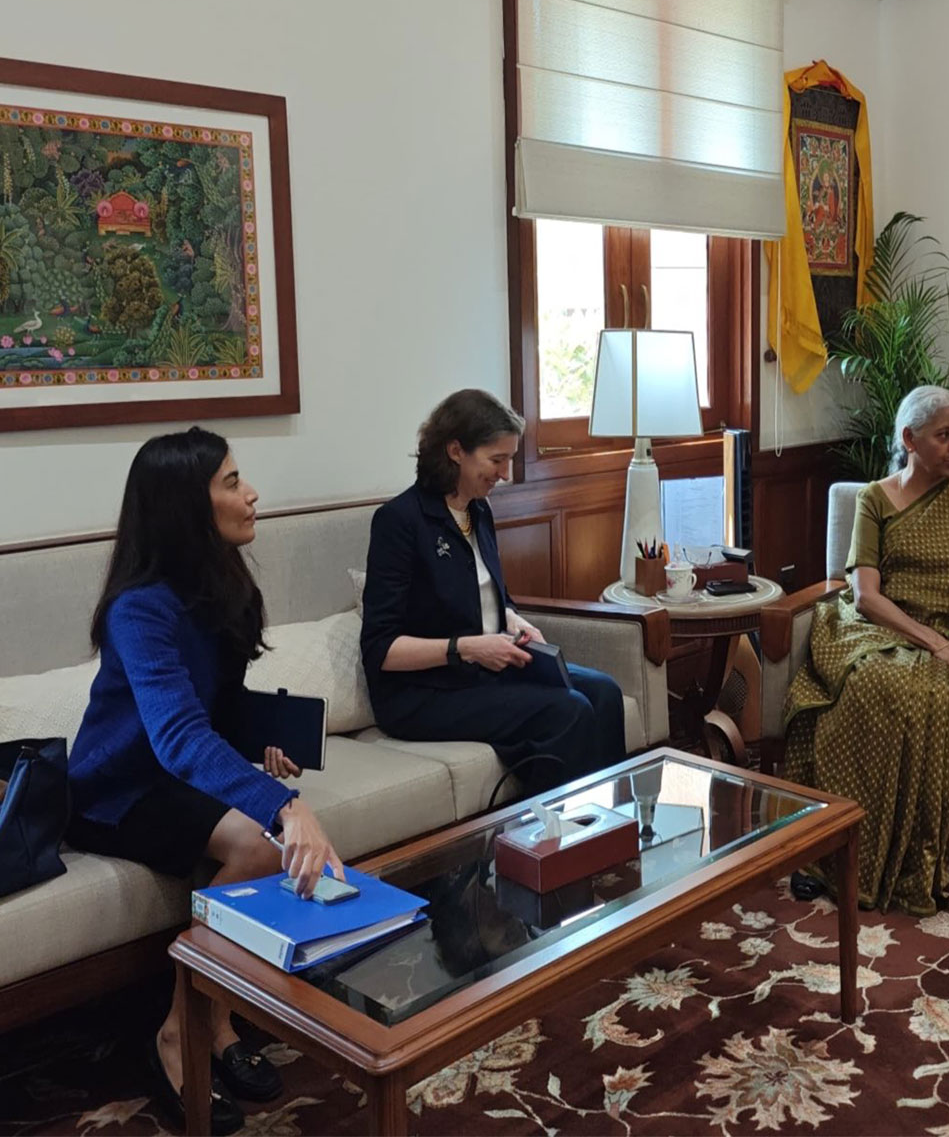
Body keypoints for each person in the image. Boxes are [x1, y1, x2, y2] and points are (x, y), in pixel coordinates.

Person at [67, 428, 343, 1135]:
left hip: (176, 777)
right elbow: (174, 735)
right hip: (117, 790)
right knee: (260, 844)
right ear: (186, 506)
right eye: (231, 481)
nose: (250, 494)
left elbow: (211, 708)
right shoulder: (140, 609)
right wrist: (284, 806)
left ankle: (215, 1022)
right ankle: (185, 1029)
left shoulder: (221, 583)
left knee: (260, 837)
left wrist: (261, 745)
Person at [782, 385, 949, 915]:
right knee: (871, 683)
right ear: (910, 439)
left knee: (931, 697)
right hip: (879, 627)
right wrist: (936, 644)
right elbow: (866, 597)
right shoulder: (874, 499)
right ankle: (828, 855)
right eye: (943, 435)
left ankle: (906, 865)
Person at [360, 389, 626, 798]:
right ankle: (551, 845)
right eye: (497, 460)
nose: (505, 473)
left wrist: (513, 619)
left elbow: (489, 595)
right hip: (423, 694)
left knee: (604, 692)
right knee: (567, 711)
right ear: (455, 451)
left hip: (481, 673)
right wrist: (469, 648)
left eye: (510, 459)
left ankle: (610, 831)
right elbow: (381, 648)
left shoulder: (478, 510)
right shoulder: (399, 521)